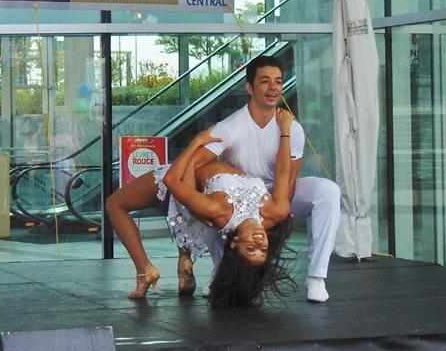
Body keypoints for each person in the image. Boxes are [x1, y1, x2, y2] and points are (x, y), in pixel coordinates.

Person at [106, 111, 296, 308]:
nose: (259, 241)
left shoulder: (218, 210)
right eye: (263, 249)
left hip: (179, 174)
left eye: (250, 249)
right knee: (188, 206)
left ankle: (145, 270)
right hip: (192, 180)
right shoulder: (276, 211)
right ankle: (184, 262)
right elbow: (283, 172)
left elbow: (172, 180)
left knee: (114, 204)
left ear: (235, 243)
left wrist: (196, 142)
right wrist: (285, 131)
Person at [197, 55, 341, 303]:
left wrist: (277, 215)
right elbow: (200, 167)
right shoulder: (230, 127)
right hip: (239, 203)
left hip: (277, 195)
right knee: (208, 216)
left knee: (328, 191)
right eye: (265, 81)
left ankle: (317, 277)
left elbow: (289, 179)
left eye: (278, 81)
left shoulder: (292, 128)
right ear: (249, 88)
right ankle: (220, 274)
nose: (273, 87)